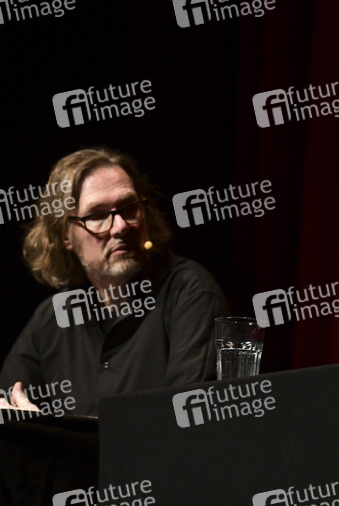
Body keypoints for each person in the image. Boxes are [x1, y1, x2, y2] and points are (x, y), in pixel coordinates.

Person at [0, 148, 229, 416]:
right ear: (65, 235)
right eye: (97, 215)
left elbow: (184, 424)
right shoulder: (52, 317)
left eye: (129, 208)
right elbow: (6, 403)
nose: (121, 226)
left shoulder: (190, 291)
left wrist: (44, 431)